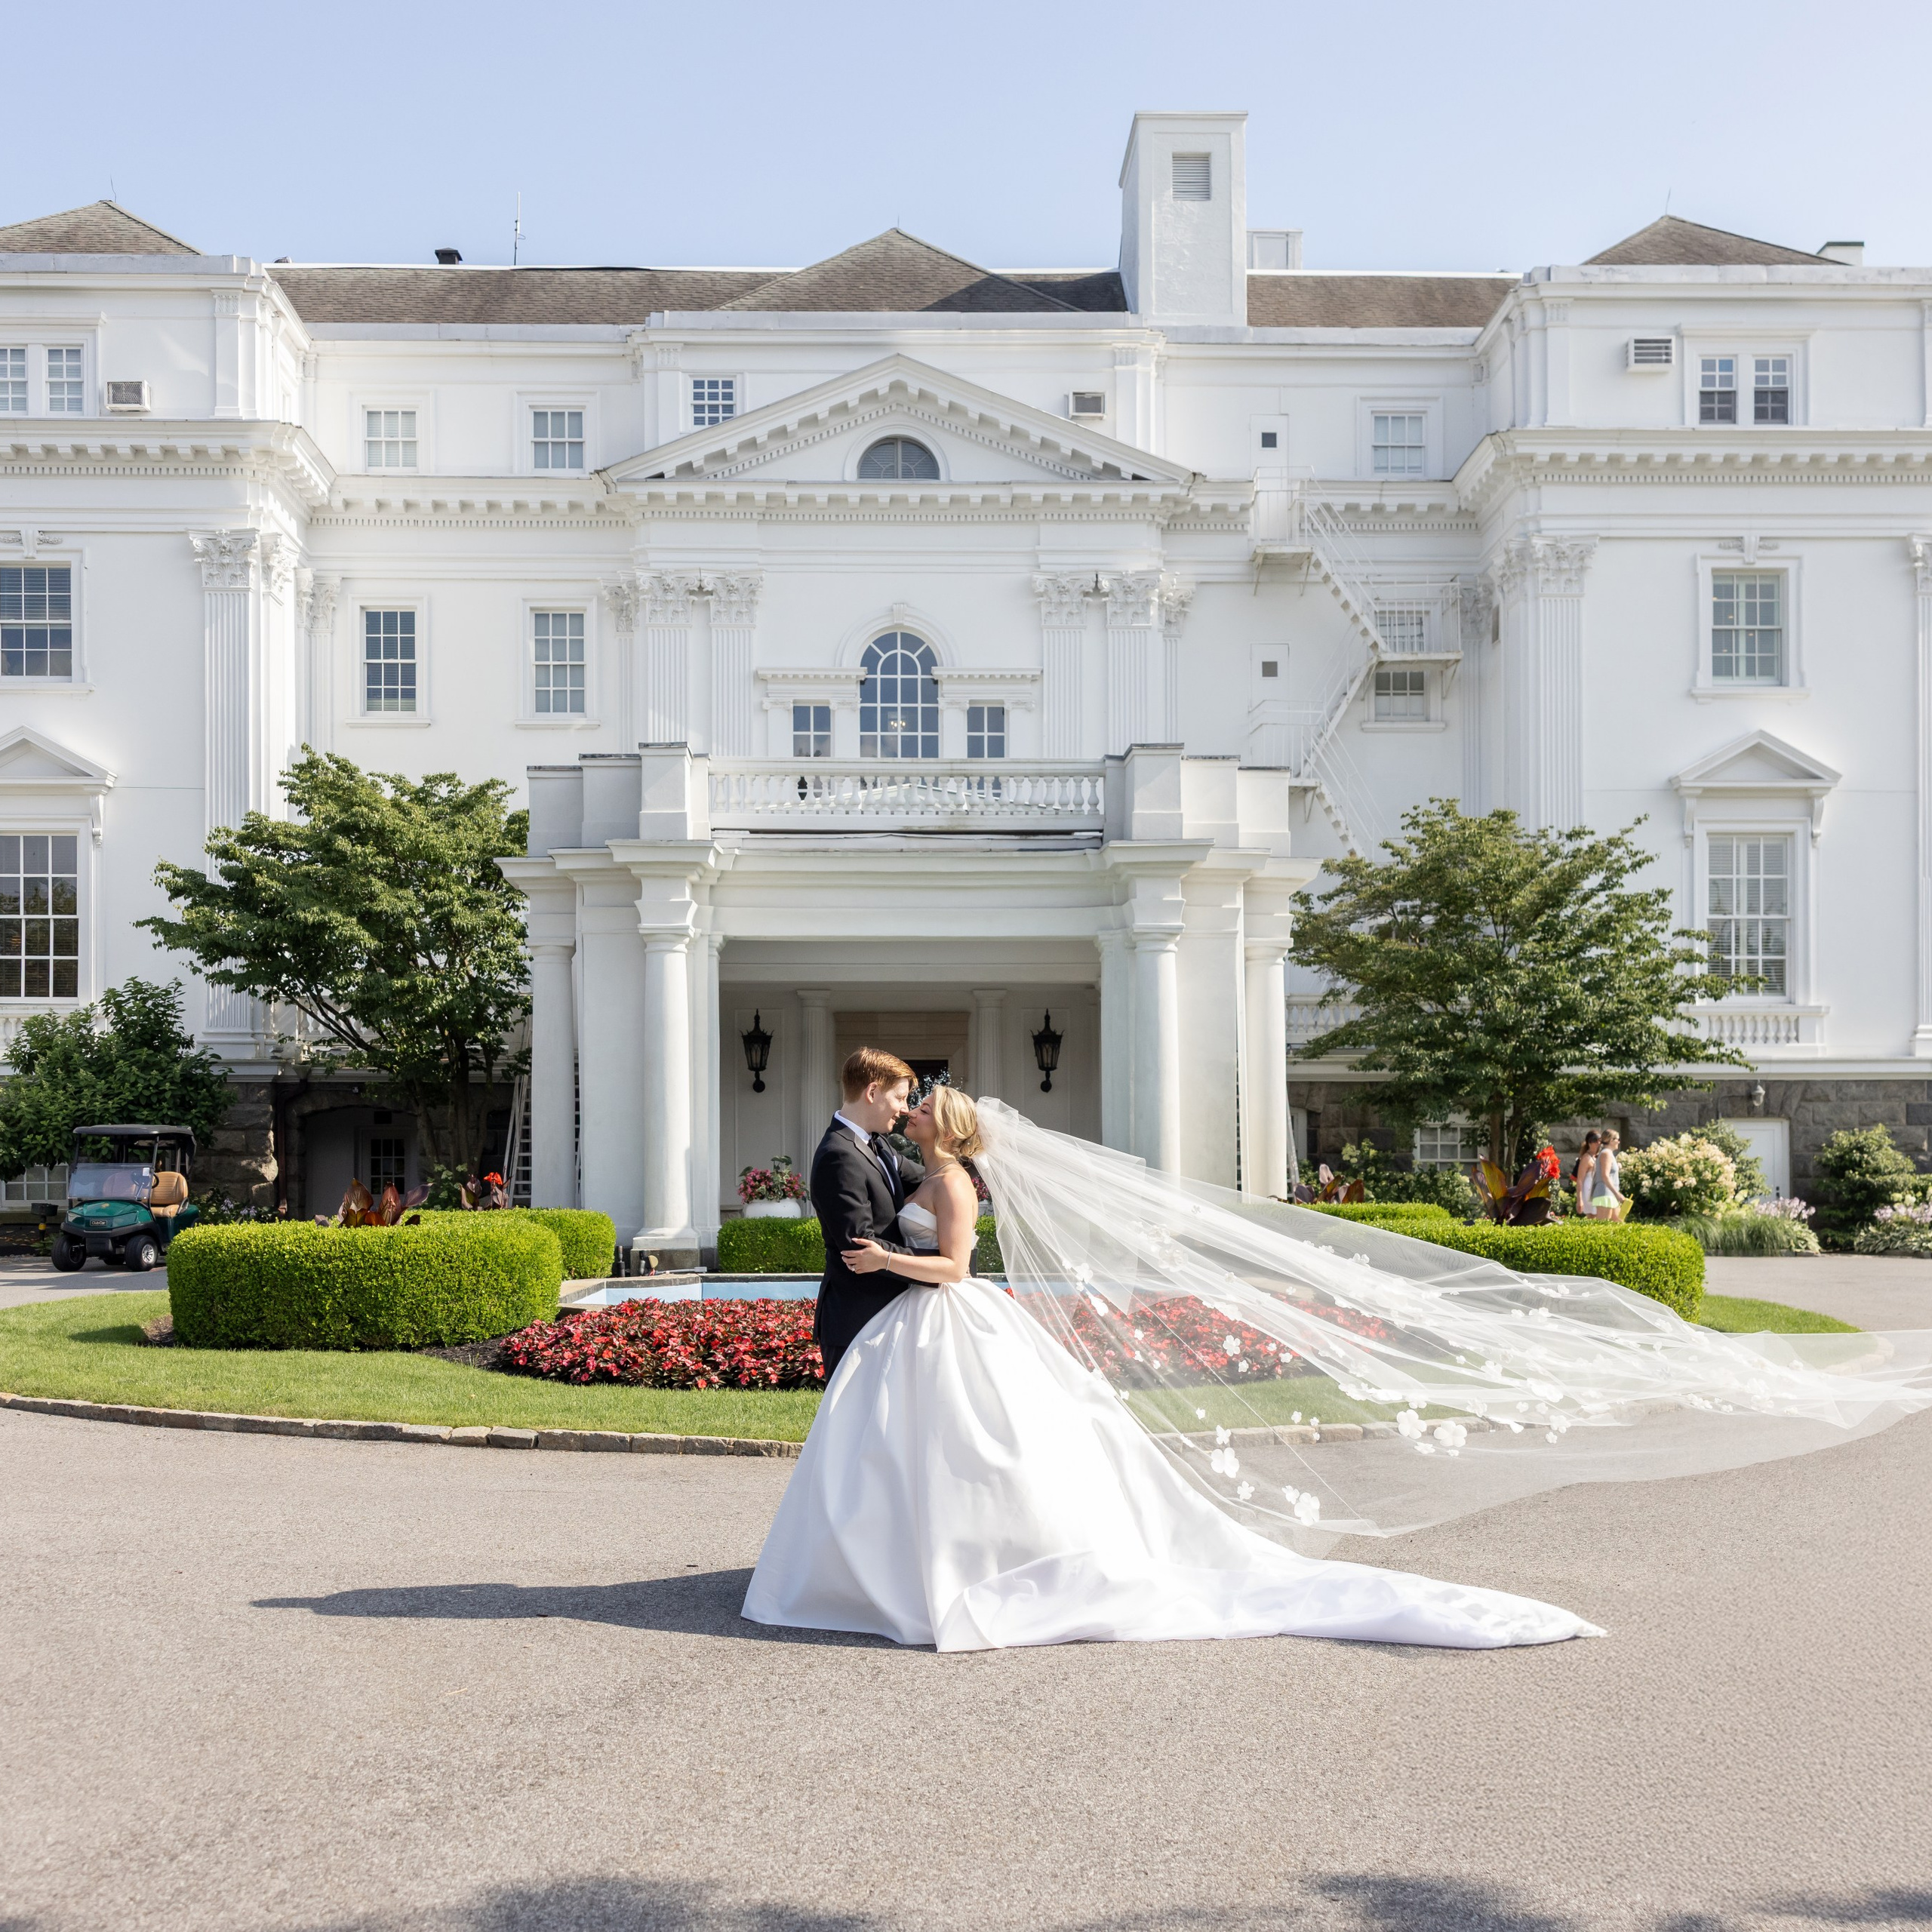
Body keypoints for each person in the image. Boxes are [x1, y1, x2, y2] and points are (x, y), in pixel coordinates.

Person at [744, 1083, 1604, 1653]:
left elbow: (960, 1268)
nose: (915, 1108)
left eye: (925, 1105)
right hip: (924, 1327)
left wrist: (887, 1263)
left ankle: (957, 1568)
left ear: (950, 1127)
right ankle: (908, 1566)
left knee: (970, 1451)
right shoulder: (921, 1168)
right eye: (914, 1101)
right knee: (930, 1453)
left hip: (946, 1311)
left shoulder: (957, 1184)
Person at [807, 1048, 925, 1380]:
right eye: (901, 1097)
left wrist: (970, 1147)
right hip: (857, 1322)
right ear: (873, 1092)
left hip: (887, 1316)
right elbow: (860, 1248)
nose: (905, 1110)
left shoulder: (880, 1145)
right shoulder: (838, 1155)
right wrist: (941, 1263)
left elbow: (932, 1177)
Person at [1584, 1130, 1626, 1221]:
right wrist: (1617, 1194)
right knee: (1603, 1226)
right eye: (1617, 1139)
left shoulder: (1608, 1154)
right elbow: (1605, 1176)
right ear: (1611, 1141)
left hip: (1610, 1194)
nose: (1619, 1142)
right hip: (1605, 1194)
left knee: (1619, 1222)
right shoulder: (1606, 1153)